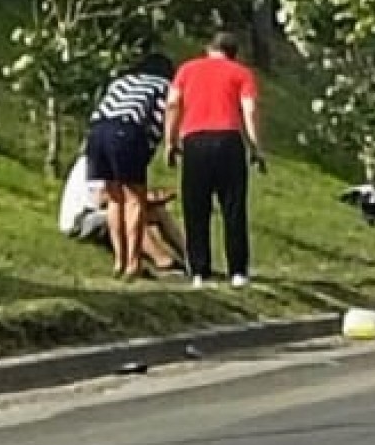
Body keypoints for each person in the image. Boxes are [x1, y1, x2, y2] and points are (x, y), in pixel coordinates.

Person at [164, 31, 265, 288]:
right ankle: (238, 271)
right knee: (233, 207)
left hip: (195, 140)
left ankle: (199, 271)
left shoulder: (187, 70)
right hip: (228, 140)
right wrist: (255, 147)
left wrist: (170, 141)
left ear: (209, 49)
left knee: (196, 207)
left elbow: (173, 104)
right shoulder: (241, 73)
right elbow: (249, 110)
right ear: (234, 54)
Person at [84, 52, 176, 279]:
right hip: (127, 131)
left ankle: (119, 260)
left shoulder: (121, 81)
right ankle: (133, 263)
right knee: (134, 199)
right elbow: (157, 121)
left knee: (115, 198)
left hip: (97, 132)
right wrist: (155, 150)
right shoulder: (162, 85)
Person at [58, 153, 189, 274]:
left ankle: (190, 256)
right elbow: (103, 198)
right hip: (79, 221)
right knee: (130, 214)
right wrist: (148, 198)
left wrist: (151, 199)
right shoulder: (95, 162)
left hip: (96, 214)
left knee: (158, 212)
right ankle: (163, 261)